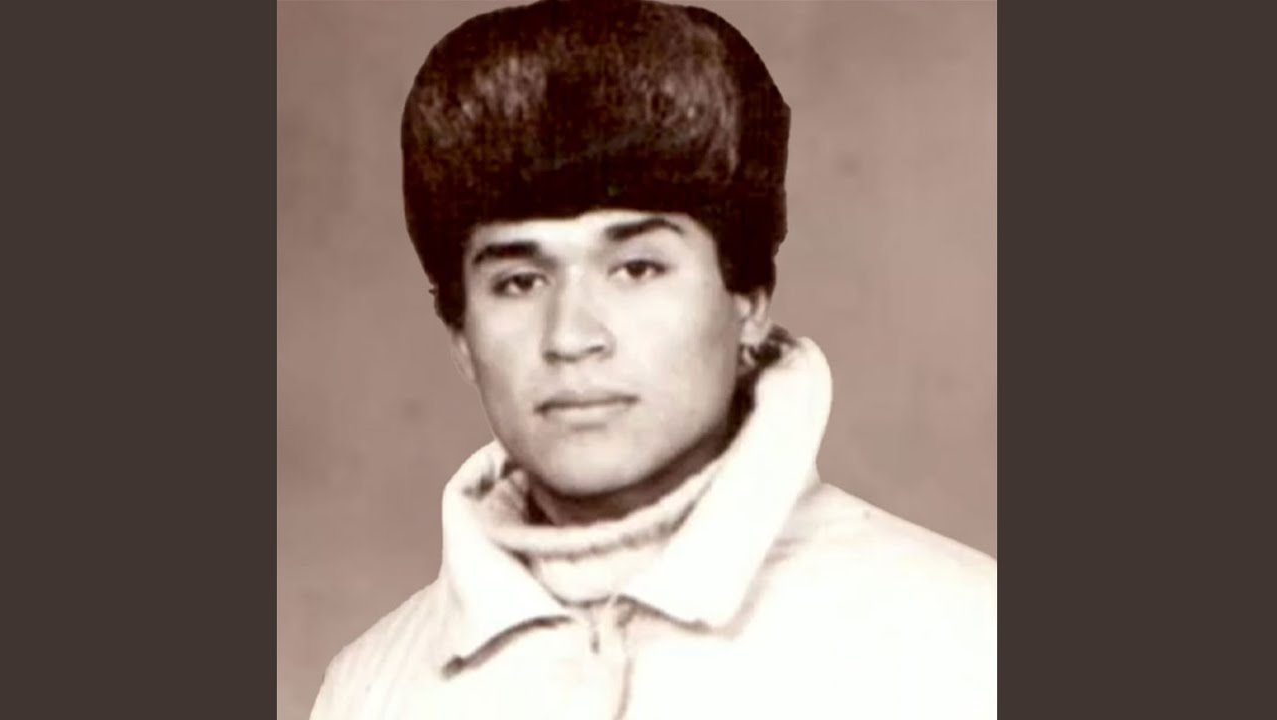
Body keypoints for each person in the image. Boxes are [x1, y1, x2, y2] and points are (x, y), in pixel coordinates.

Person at [310, 1, 996, 718]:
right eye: (519, 281)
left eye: (636, 269)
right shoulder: (371, 689)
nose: (571, 335)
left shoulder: (966, 638)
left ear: (748, 300)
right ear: (460, 335)